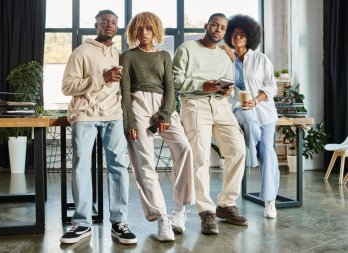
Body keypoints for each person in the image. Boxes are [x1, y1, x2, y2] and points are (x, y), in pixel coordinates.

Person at [60, 10, 137, 245]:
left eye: (113, 22)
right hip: (85, 114)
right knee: (82, 165)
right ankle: (82, 223)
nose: (110, 25)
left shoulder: (119, 54)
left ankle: (119, 222)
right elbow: (67, 87)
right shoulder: (81, 52)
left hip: (114, 115)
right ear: (96, 25)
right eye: (105, 22)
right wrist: (101, 78)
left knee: (118, 165)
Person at [120, 12, 195, 242]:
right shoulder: (127, 56)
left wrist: (164, 114)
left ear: (156, 31)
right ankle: (162, 217)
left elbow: (171, 87)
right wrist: (129, 120)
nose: (144, 33)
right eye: (140, 29)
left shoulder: (164, 55)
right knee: (145, 162)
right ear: (134, 31)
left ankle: (179, 210)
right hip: (138, 104)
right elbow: (124, 89)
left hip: (163, 105)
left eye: (148, 29)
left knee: (184, 148)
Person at [172, 13, 247, 235]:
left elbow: (227, 82)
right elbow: (175, 80)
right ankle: (207, 212)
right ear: (206, 26)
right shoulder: (187, 48)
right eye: (215, 25)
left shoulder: (225, 56)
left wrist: (226, 89)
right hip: (195, 105)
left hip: (221, 105)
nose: (218, 29)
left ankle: (226, 204)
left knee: (238, 150)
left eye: (223, 28)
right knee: (200, 158)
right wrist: (202, 85)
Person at [224, 14, 279, 218]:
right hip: (239, 108)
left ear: (250, 38)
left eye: (242, 35)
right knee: (248, 120)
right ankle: (252, 156)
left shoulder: (260, 59)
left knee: (268, 152)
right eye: (235, 34)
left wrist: (257, 100)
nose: (238, 37)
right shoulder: (226, 60)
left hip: (264, 112)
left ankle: (269, 200)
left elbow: (271, 86)